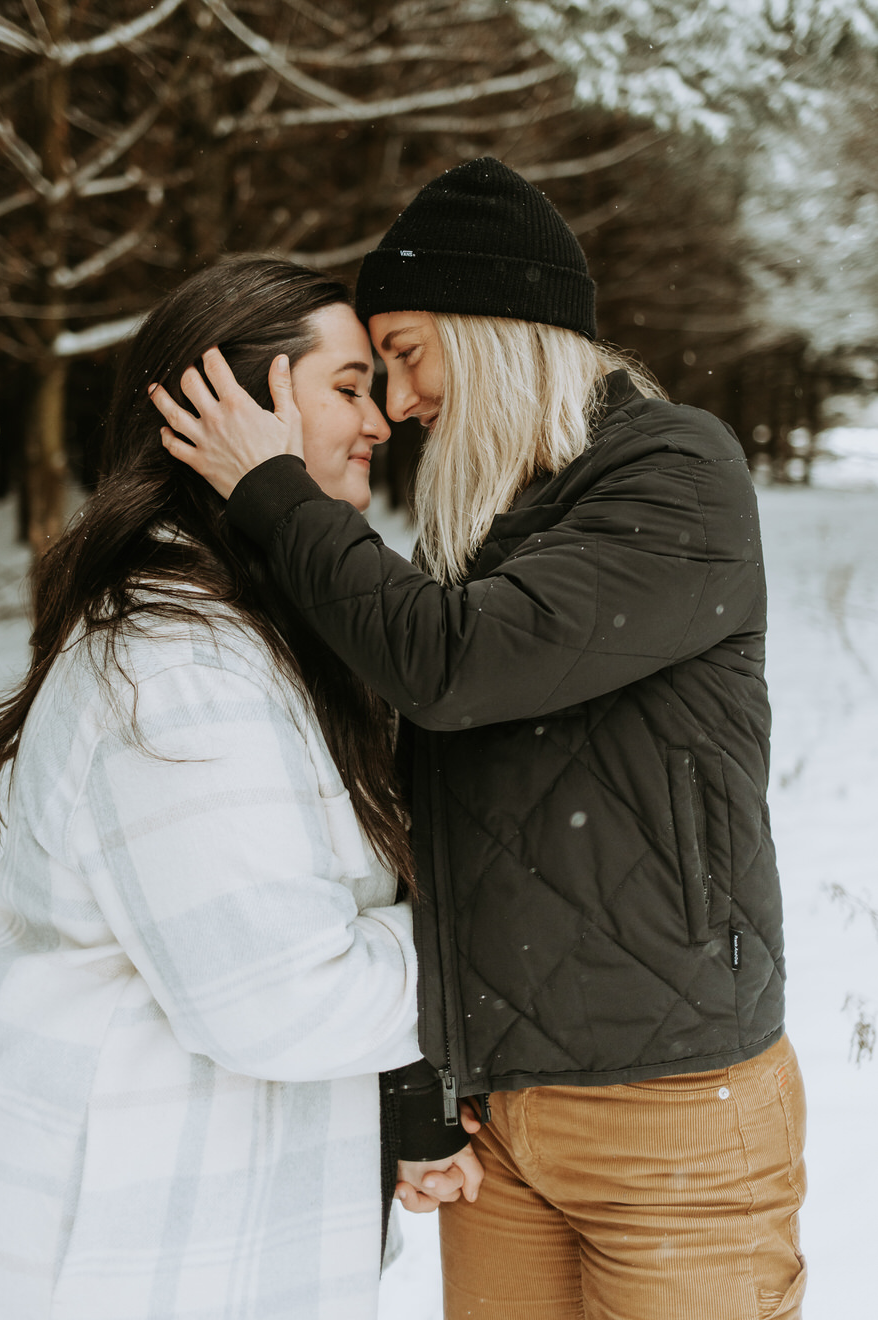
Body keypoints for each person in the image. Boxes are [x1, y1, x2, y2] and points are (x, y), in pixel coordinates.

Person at [150, 158, 808, 1320]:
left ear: (496, 325)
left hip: (670, 1118)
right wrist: (424, 1081)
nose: (397, 405)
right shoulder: (497, 533)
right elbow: (433, 842)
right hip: (501, 1129)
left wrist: (269, 486)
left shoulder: (674, 474)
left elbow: (449, 666)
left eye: (404, 352)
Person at [0, 259, 480, 1320]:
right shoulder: (176, 670)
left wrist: (409, 1104)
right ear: (234, 405)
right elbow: (284, 999)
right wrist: (501, 942)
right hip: (119, 1253)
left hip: (205, 1235)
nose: (381, 419)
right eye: (349, 385)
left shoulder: (257, 630)